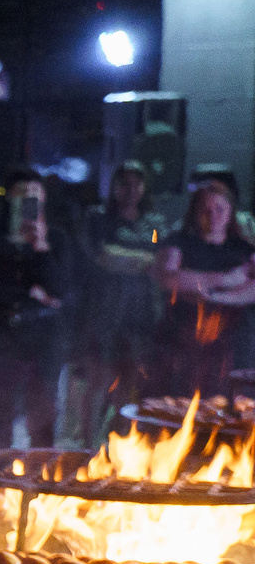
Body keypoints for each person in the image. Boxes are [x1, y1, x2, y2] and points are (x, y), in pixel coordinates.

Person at [0, 169, 74, 448]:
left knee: (42, 419)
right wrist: (31, 291)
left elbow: (60, 287)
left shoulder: (57, 238)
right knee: (0, 419)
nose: (29, 200)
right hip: (1, 334)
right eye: (22, 195)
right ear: (10, 199)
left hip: (45, 336)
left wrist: (41, 247)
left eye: (35, 195)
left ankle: (41, 485)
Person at [74, 162, 163, 436]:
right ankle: (86, 442)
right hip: (102, 314)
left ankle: (118, 443)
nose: (131, 189)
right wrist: (144, 260)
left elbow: (163, 263)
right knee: (96, 382)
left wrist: (127, 258)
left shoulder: (154, 223)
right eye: (125, 183)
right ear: (114, 186)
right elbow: (102, 256)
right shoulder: (97, 218)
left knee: (129, 382)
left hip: (141, 316)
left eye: (137, 183)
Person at [158, 176, 255, 397]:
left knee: (232, 405)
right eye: (206, 210)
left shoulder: (244, 249)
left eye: (219, 209)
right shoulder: (178, 242)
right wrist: (226, 279)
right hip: (186, 338)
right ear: (195, 212)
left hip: (235, 341)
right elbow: (169, 277)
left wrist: (215, 297)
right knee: (184, 401)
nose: (213, 216)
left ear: (231, 211)